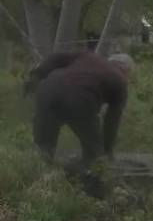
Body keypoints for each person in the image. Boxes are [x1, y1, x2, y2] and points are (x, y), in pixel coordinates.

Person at [24, 51, 134, 198]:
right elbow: (111, 122)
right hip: (80, 98)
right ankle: (93, 196)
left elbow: (56, 57)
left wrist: (36, 75)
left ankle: (34, 190)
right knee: (94, 154)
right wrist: (106, 151)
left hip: (47, 90)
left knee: (43, 147)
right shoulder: (120, 82)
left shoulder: (88, 57)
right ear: (126, 70)